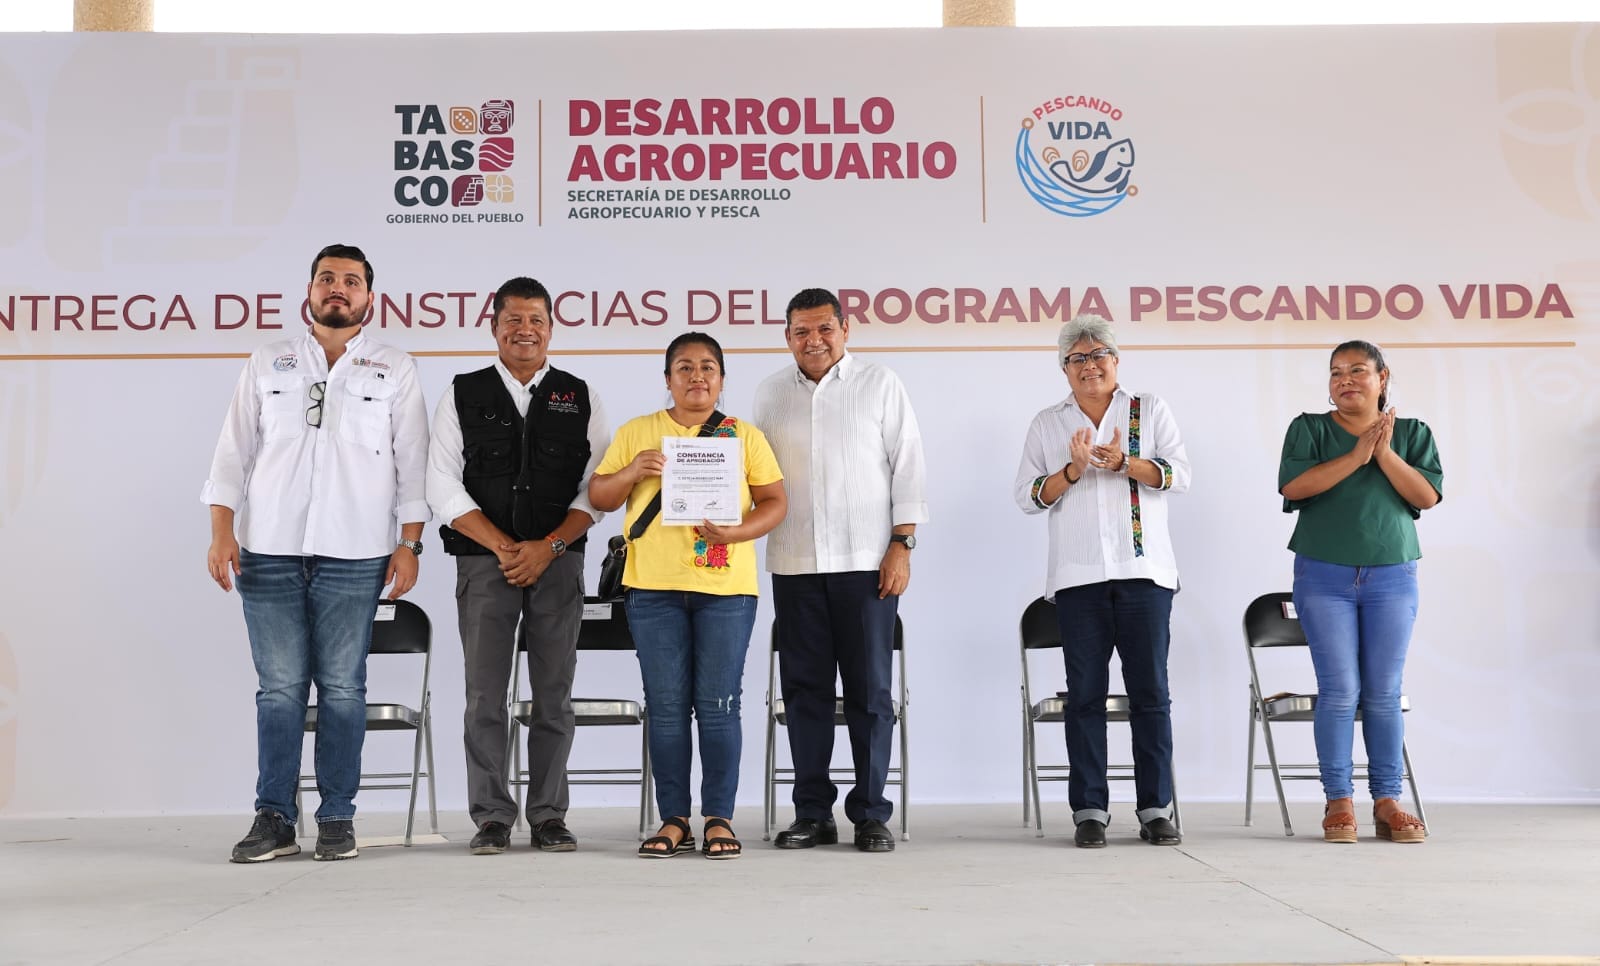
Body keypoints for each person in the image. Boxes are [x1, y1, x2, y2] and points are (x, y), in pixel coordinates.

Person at [204, 243, 429, 863]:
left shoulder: (394, 368)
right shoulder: (268, 360)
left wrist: (409, 545)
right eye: (327, 279)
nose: (338, 288)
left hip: (356, 553)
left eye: (350, 281)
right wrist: (222, 530)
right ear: (308, 292)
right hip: (268, 549)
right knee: (278, 691)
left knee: (341, 690)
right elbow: (233, 454)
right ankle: (274, 817)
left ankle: (336, 818)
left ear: (369, 299)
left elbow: (413, 465)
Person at [425, 276, 609, 855]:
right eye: (513, 320)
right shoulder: (462, 392)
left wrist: (547, 547)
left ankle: (550, 814)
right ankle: (491, 817)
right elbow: (441, 483)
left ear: (552, 328)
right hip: (484, 565)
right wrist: (506, 547)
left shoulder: (580, 395)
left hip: (558, 564)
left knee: (553, 693)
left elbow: (596, 491)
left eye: (536, 321)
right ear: (494, 326)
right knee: (485, 694)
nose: (525, 330)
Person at [588, 333, 786, 860]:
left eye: (707, 368)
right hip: (652, 590)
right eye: (684, 367)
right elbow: (600, 497)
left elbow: (774, 502)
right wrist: (634, 470)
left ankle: (718, 817)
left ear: (721, 379)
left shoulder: (745, 437)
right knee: (668, 707)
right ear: (668, 378)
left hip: (725, 589)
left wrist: (738, 533)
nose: (696, 376)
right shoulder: (638, 432)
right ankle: (673, 818)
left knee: (719, 707)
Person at [753, 287, 928, 854]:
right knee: (804, 693)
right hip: (795, 562)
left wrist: (902, 544)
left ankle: (871, 813)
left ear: (845, 329)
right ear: (787, 337)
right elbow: (755, 475)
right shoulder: (770, 393)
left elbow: (909, 468)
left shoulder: (880, 384)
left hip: (867, 564)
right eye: (801, 331)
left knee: (870, 693)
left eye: (824, 328)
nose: (814, 340)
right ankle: (812, 813)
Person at [1012, 314, 1190, 849]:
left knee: (1150, 695)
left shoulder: (1148, 409)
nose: (1090, 366)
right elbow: (1026, 496)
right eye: (1078, 358)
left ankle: (1156, 807)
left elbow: (1181, 474)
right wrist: (1070, 471)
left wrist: (1125, 462)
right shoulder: (1048, 422)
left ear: (1116, 360)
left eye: (1099, 355)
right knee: (1084, 697)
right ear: (1064, 368)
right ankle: (1090, 809)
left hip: (1145, 574)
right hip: (1077, 579)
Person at [1278, 340, 1441, 844]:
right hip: (1323, 576)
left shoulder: (1413, 433)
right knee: (1340, 691)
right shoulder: (1308, 428)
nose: (1344, 379)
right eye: (1335, 372)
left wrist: (1384, 453)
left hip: (1392, 574)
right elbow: (1294, 488)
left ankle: (1388, 801)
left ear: (1383, 377)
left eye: (1356, 370)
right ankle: (1339, 801)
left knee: (1384, 693)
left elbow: (1425, 496)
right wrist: (1357, 455)